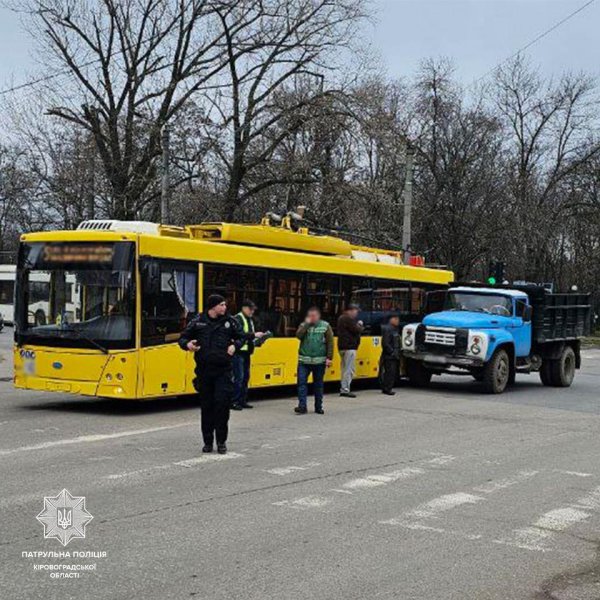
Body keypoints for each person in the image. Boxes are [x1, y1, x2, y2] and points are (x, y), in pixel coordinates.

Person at [179, 294, 257, 454]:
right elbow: (183, 338)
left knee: (222, 407)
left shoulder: (230, 321)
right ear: (213, 306)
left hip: (223, 372)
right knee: (207, 408)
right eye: (222, 305)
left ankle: (221, 441)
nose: (225, 307)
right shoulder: (198, 321)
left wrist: (235, 345)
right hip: (204, 372)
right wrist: (187, 344)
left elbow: (242, 337)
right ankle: (208, 442)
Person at [295, 306, 334, 415]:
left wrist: (329, 358)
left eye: (314, 316)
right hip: (304, 361)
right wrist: (306, 324)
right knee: (301, 384)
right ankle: (302, 406)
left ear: (318, 316)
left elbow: (330, 343)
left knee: (318, 385)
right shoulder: (304, 325)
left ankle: (318, 407)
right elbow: (298, 335)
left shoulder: (325, 326)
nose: (312, 318)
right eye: (310, 316)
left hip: (319, 362)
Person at [232, 299, 265, 410]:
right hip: (238, 352)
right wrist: (254, 335)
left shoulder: (249, 319)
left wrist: (258, 339)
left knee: (245, 377)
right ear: (244, 308)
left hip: (246, 352)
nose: (252, 312)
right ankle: (234, 401)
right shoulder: (237, 318)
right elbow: (239, 334)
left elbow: (248, 336)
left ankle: (242, 400)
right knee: (239, 377)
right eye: (251, 309)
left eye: (253, 310)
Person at [336, 304, 364, 398]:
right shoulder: (347, 319)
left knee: (344, 369)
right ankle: (345, 390)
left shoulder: (341, 318)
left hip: (342, 347)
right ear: (350, 310)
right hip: (349, 347)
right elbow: (356, 330)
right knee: (349, 369)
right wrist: (360, 325)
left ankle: (343, 388)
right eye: (356, 311)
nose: (356, 313)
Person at [380, 314, 401, 396]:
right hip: (389, 356)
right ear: (391, 320)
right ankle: (387, 388)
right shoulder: (388, 329)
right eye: (396, 319)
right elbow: (385, 343)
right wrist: (391, 352)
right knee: (390, 372)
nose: (397, 321)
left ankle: (387, 387)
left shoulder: (394, 329)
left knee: (392, 372)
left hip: (393, 355)